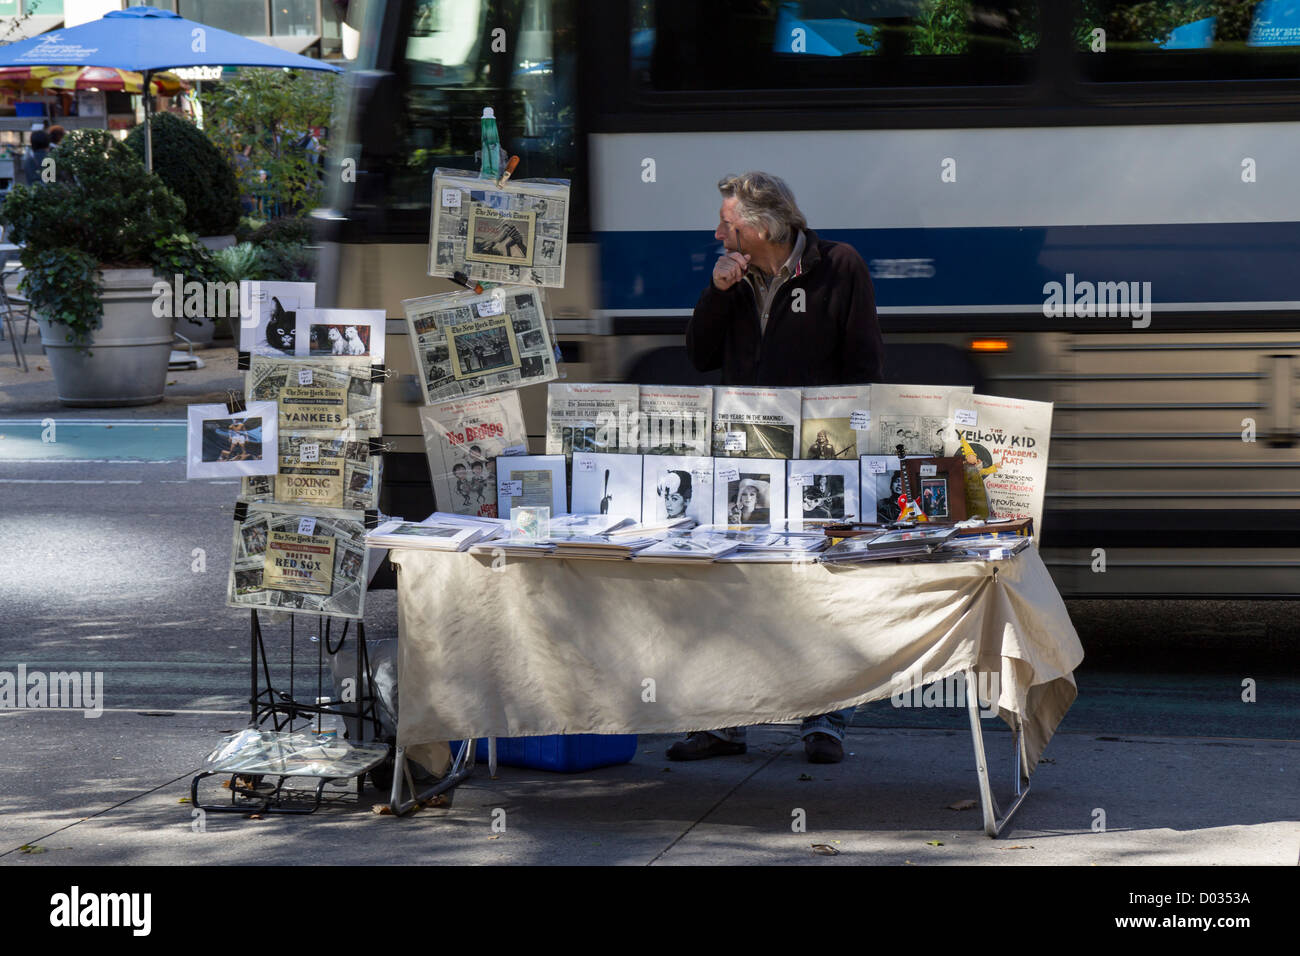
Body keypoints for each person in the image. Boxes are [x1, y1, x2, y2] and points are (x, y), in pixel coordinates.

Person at [672, 170, 885, 765]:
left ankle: (825, 719)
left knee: (818, 590)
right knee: (737, 587)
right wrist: (716, 293)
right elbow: (699, 356)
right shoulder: (732, 279)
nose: (719, 232)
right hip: (745, 455)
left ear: (761, 227)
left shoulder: (839, 267)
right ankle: (727, 722)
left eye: (728, 223)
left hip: (820, 457)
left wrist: (844, 450)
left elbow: (865, 366)